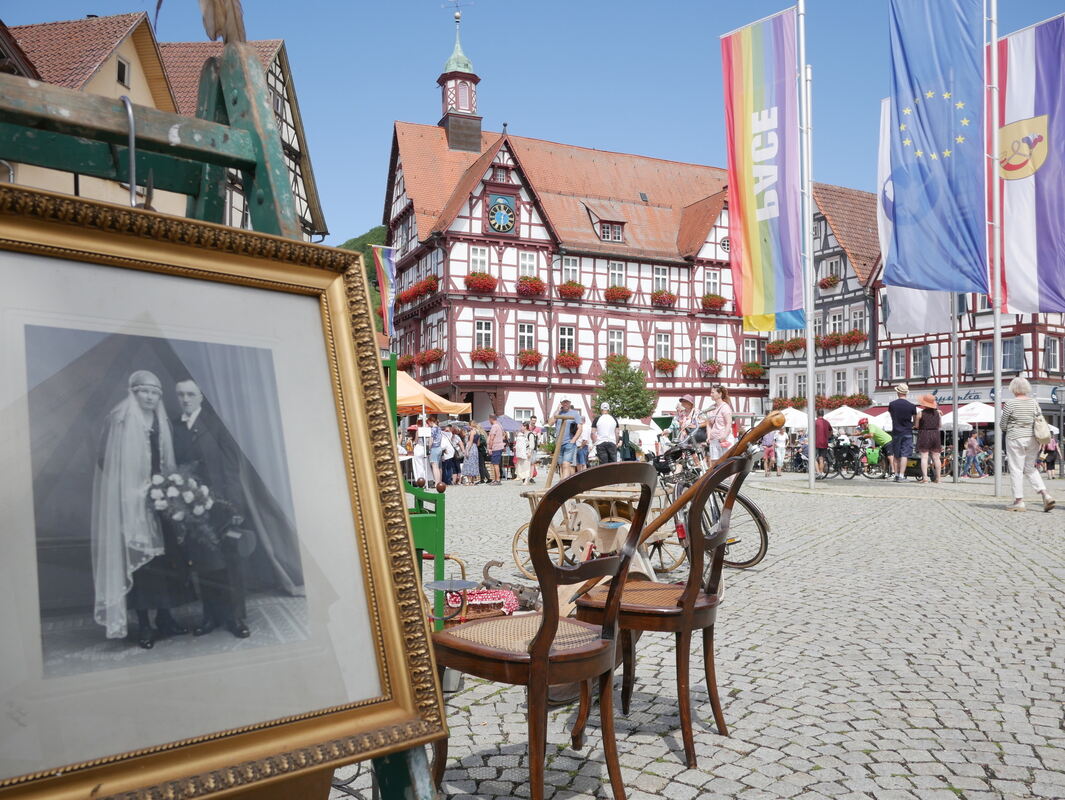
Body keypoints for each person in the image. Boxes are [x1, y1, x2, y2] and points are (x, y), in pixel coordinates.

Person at [92, 370, 186, 649]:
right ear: (133, 391)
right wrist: (128, 489)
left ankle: (166, 617)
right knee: (142, 563)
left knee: (165, 562)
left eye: (156, 392)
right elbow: (103, 459)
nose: (150, 397)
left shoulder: (160, 420)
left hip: (160, 499)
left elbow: (167, 461)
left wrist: (165, 490)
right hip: (132, 502)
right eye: (145, 391)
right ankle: (144, 625)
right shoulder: (119, 419)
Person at [172, 378, 251, 639]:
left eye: (190, 394)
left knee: (230, 564)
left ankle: (236, 618)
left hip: (221, 506)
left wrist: (235, 506)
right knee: (205, 564)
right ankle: (210, 616)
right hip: (191, 507)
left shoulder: (216, 426)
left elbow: (231, 468)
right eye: (181, 395)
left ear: (200, 397)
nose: (185, 399)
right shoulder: (177, 427)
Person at [1001, 376, 1055, 512]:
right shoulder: (1034, 403)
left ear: (1013, 388)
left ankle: (1019, 501)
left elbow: (1003, 424)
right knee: (1031, 468)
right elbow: (1039, 420)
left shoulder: (1010, 404)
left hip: (1015, 438)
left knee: (1016, 469)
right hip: (1033, 439)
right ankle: (1045, 494)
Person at [888, 383, 917, 482]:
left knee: (896, 455)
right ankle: (901, 475)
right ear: (906, 393)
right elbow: (915, 420)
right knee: (904, 455)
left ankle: (896, 475)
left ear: (897, 392)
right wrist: (913, 425)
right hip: (907, 431)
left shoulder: (892, 404)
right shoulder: (912, 406)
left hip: (896, 431)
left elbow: (892, 416)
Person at [548, 398, 583, 479]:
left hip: (569, 442)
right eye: (564, 402)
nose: (565, 404)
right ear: (561, 403)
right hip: (559, 443)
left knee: (566, 464)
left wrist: (573, 440)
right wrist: (557, 410)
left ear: (570, 403)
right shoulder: (558, 413)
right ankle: (563, 482)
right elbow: (550, 423)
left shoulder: (575, 413)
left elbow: (580, 428)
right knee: (560, 465)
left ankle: (564, 485)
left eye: (567, 402)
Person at [915, 394, 943, 484]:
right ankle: (938, 478)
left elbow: (916, 426)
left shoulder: (920, 413)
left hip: (924, 434)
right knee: (936, 457)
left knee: (924, 457)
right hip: (935, 434)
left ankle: (925, 478)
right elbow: (940, 425)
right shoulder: (938, 413)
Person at [703, 386, 733, 461]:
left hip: (724, 439)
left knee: (725, 462)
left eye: (713, 392)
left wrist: (724, 436)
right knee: (714, 462)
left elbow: (729, 422)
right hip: (714, 439)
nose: (710, 394)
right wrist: (709, 436)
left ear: (720, 394)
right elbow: (709, 424)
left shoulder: (725, 407)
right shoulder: (711, 407)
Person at [487, 414, 505, 485]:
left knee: (495, 464)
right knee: (495, 463)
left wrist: (490, 448)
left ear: (491, 419)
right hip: (499, 447)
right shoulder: (499, 425)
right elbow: (503, 435)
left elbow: (492, 438)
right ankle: (495, 479)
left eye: (489, 419)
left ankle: (497, 479)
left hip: (495, 447)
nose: (489, 421)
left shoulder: (494, 426)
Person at [814, 409, 832, 478]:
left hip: (816, 443)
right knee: (821, 458)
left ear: (817, 414)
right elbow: (831, 430)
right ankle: (821, 473)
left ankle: (818, 472)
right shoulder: (827, 422)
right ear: (823, 414)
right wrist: (828, 436)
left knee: (814, 459)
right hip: (824, 442)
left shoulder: (815, 422)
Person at [427, 416, 443, 485]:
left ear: (431, 421)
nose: (428, 424)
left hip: (434, 448)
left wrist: (429, 448)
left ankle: (436, 483)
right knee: (438, 467)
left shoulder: (433, 429)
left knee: (434, 466)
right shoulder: (439, 428)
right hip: (439, 447)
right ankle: (439, 482)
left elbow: (431, 440)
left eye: (428, 423)